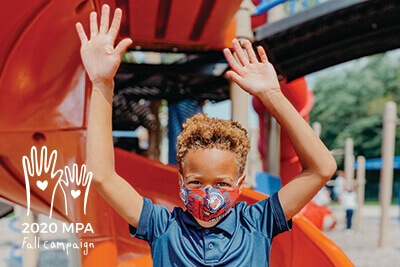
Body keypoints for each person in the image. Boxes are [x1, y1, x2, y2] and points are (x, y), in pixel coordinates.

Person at [76, 5, 337, 266]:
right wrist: (102, 83)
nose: (208, 194)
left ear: (239, 182)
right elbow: (102, 176)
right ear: (181, 180)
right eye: (196, 183)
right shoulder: (163, 227)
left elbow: (321, 168)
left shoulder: (257, 223)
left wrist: (272, 95)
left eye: (222, 184)